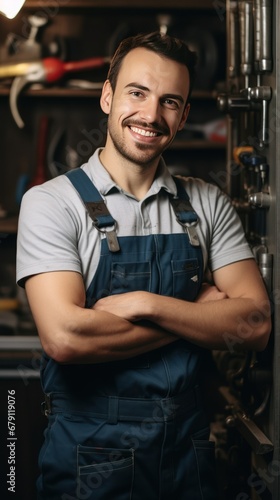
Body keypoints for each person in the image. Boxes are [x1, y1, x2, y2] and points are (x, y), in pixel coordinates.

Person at [16, 31, 271, 500]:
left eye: (170, 101)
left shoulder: (207, 202)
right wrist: (196, 315)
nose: (151, 116)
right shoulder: (51, 203)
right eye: (137, 93)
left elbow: (254, 323)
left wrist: (144, 303)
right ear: (108, 96)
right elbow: (66, 337)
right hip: (88, 456)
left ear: (184, 114)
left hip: (189, 454)